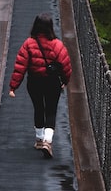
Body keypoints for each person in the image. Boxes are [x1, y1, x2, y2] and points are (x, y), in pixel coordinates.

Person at [8, 13, 72, 157]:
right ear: (50, 27)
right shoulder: (57, 45)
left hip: (34, 81)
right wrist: (65, 81)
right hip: (52, 82)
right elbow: (65, 66)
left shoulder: (28, 44)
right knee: (51, 110)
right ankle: (47, 142)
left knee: (39, 108)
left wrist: (13, 87)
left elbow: (20, 67)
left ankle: (38, 139)